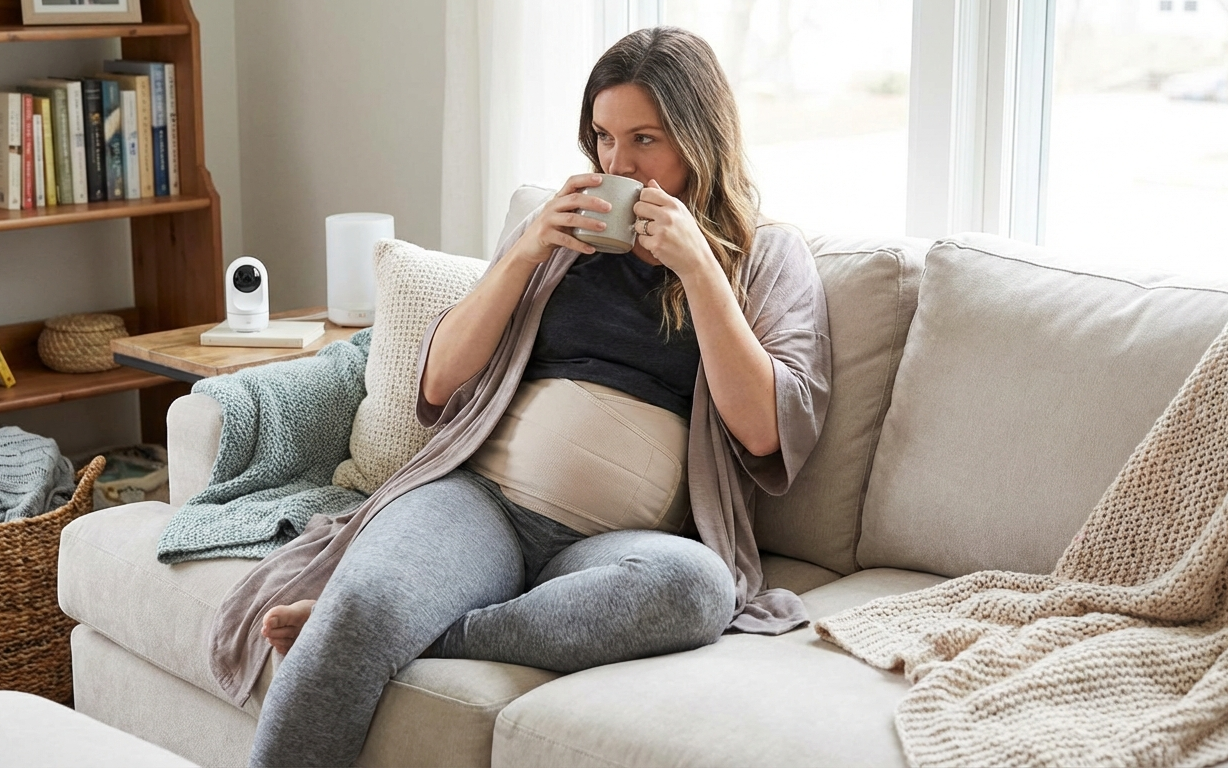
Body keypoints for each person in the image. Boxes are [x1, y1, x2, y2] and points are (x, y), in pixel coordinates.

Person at [212, 26, 832, 768]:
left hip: (612, 550)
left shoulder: (765, 258)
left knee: (696, 590)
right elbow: (439, 382)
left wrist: (699, 269)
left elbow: (766, 431)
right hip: (482, 504)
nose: (618, 165)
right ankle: (380, 622)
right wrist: (529, 249)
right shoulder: (561, 236)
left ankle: (439, 630)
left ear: (702, 139)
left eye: (645, 140)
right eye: (603, 138)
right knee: (368, 604)